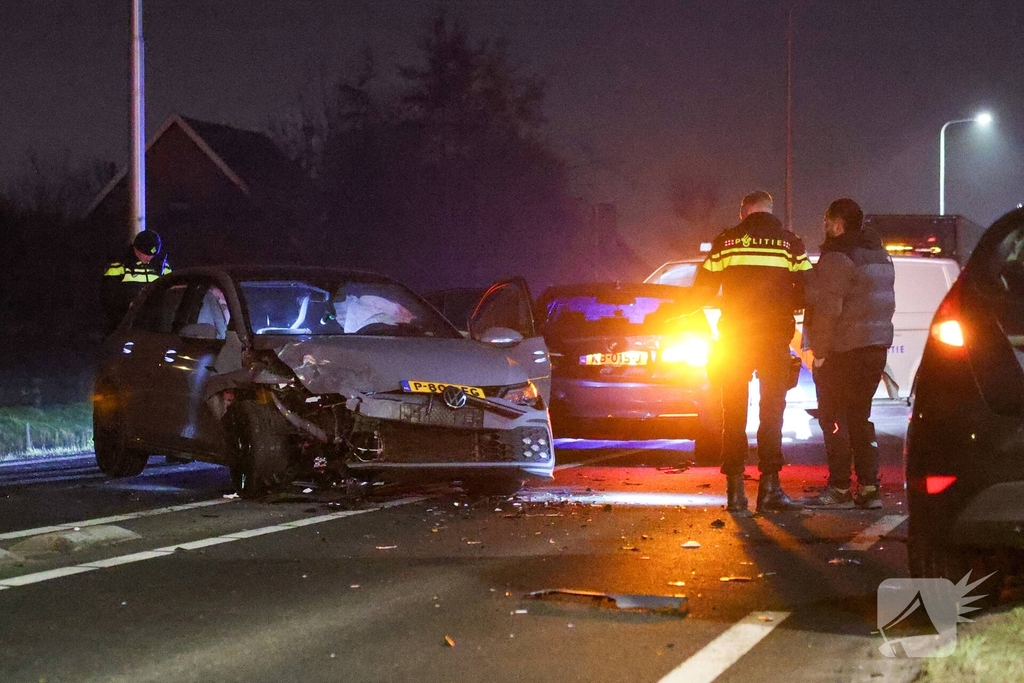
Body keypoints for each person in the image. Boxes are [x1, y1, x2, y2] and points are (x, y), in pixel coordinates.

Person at [695, 190, 812, 514]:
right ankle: (770, 488)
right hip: (773, 337)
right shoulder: (789, 243)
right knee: (772, 412)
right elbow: (808, 288)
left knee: (733, 411)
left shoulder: (727, 241)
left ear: (743, 212)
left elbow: (703, 289)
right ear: (769, 211)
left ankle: (735, 492)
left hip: (735, 338)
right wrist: (785, 303)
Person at [801, 198, 895, 509]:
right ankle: (869, 488)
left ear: (838, 225)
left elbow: (827, 309)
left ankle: (839, 488)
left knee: (834, 419)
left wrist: (820, 352)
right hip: (874, 350)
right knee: (860, 418)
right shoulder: (880, 256)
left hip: (843, 352)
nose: (824, 227)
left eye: (826, 222)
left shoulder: (839, 256)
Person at [101, 230, 171, 333]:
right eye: (146, 254)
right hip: (126, 325)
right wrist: (129, 306)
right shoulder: (119, 265)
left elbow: (170, 292)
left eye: (153, 255)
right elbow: (109, 297)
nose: (149, 258)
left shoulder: (162, 266)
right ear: (136, 248)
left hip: (155, 325)